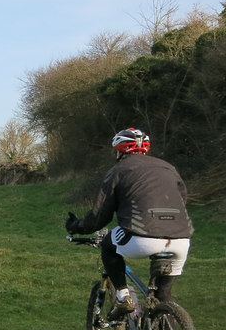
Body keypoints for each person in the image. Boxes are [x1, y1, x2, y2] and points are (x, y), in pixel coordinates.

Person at [65, 128, 193, 317]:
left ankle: (123, 296)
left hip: (143, 237)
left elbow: (100, 216)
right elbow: (182, 198)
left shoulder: (117, 171)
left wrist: (77, 226)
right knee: (163, 294)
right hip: (181, 239)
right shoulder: (168, 168)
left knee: (108, 245)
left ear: (119, 151)